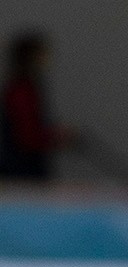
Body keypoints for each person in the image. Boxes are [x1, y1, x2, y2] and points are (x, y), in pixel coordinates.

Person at [1, 30, 76, 182]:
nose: (46, 58)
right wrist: (55, 137)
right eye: (42, 53)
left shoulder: (27, 87)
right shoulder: (21, 91)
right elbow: (27, 136)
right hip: (21, 170)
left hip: (25, 167)